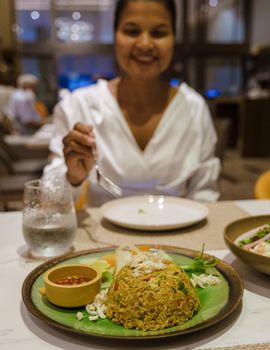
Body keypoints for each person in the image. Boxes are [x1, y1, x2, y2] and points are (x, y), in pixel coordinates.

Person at [44, 0, 220, 206]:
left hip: (180, 234)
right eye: (132, 31)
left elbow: (205, 195)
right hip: (100, 235)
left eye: (158, 33)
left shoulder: (194, 108)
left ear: (173, 39)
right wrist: (72, 177)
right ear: (115, 36)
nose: (145, 44)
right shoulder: (77, 105)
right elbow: (48, 202)